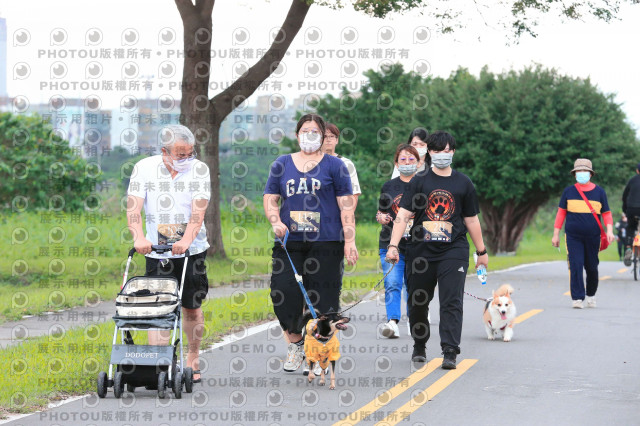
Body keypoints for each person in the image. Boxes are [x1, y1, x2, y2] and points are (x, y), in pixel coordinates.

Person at [263, 113, 358, 374]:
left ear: (323, 135)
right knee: (283, 293)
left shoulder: (335, 166)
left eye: (315, 131)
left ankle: (320, 354)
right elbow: (270, 198)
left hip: (327, 241)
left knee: (324, 299)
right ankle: (296, 344)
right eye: (305, 131)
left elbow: (346, 206)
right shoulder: (282, 164)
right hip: (290, 242)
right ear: (297, 135)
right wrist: (275, 221)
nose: (310, 136)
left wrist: (350, 240)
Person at [386, 131, 488, 370]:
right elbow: (403, 215)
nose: (443, 154)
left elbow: (471, 219)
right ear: (429, 152)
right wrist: (393, 245)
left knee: (452, 301)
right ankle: (419, 344)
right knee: (418, 301)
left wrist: (482, 252)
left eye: (447, 150)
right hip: (421, 251)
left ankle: (450, 350)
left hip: (454, 250)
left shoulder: (463, 183)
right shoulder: (419, 181)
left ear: (453, 152)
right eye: (438, 150)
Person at [126, 124, 210, 383]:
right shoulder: (144, 168)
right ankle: (160, 363)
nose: (186, 158)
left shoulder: (199, 170)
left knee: (191, 306)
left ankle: (192, 358)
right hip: (156, 251)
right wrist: (139, 237)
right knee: (158, 307)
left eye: (190, 153)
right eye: (180, 154)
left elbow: (198, 213)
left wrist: (186, 240)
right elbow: (133, 208)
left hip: (191, 250)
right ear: (164, 151)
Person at [551, 158, 615, 309]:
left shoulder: (599, 192)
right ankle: (577, 298)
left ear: (590, 174)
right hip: (573, 236)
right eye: (578, 171)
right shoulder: (568, 191)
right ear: (574, 174)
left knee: (592, 267)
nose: (581, 173)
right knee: (576, 265)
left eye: (584, 171)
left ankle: (591, 295)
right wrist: (556, 234)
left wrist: (610, 231)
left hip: (593, 237)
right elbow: (561, 213)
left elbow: (606, 213)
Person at [376, 144, 421, 338]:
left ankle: (414, 320)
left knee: (414, 285)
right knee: (392, 283)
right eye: (403, 159)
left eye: (411, 159)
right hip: (391, 244)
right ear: (396, 163)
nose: (407, 163)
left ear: (418, 163)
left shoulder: (425, 185)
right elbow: (381, 212)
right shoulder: (389, 186)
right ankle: (392, 322)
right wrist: (381, 217)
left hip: (418, 245)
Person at [323, 122, 361, 208]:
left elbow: (354, 194)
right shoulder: (311, 163)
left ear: (336, 140)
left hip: (338, 213)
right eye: (324, 136)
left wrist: (348, 213)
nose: (328, 139)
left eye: (332, 136)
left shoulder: (346, 163)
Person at [622, 163, 640, 266]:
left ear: (637, 170)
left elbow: (624, 197)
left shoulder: (632, 180)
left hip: (632, 209)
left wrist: (625, 210)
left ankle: (628, 248)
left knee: (630, 227)